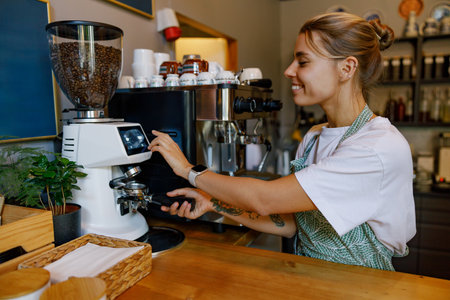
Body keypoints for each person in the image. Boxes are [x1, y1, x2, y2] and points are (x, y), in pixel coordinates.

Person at [148, 12, 416, 271]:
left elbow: (265, 200)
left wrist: (188, 170)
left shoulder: (377, 148)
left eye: (303, 61)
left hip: (362, 286)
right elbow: (291, 223)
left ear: (346, 68)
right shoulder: (313, 137)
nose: (289, 71)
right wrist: (214, 203)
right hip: (309, 279)